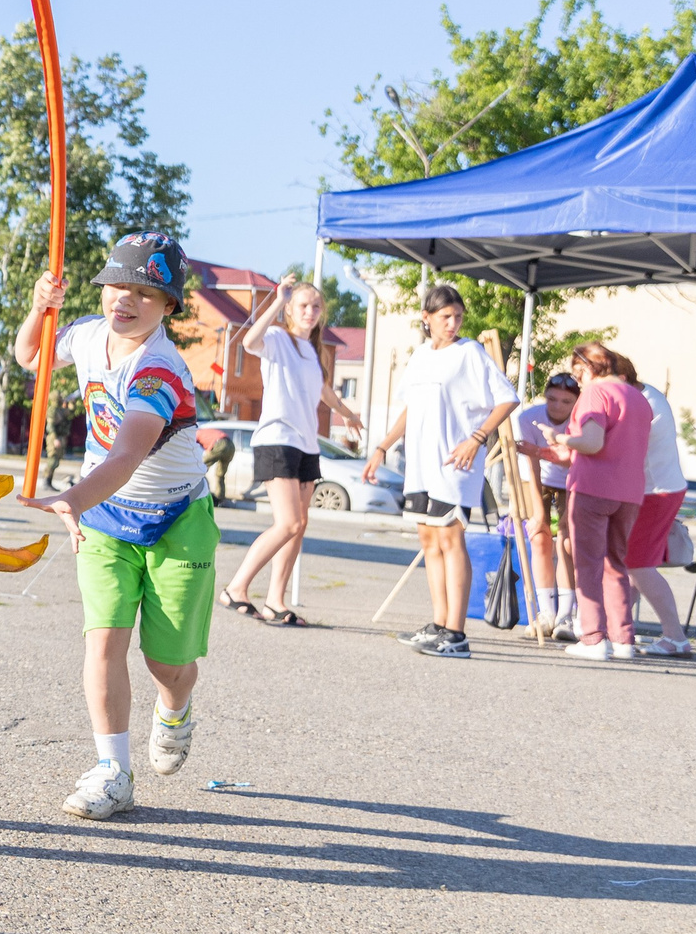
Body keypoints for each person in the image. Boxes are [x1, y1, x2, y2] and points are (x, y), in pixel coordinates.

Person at [18, 231, 212, 821]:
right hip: (104, 517)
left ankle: (174, 708)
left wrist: (71, 498)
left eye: (142, 294)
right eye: (114, 288)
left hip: (176, 517)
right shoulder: (85, 334)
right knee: (104, 639)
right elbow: (32, 357)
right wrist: (38, 308)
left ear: (168, 306)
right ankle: (113, 770)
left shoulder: (159, 371)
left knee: (167, 664)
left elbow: (126, 456)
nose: (123, 301)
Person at [361, 283, 518, 659]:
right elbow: (411, 407)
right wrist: (382, 446)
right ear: (426, 318)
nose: (453, 323)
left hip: (455, 463)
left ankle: (456, 632)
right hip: (421, 465)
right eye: (445, 316)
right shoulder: (420, 355)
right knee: (429, 542)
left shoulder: (471, 353)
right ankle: (438, 623)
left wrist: (476, 439)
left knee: (451, 541)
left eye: (458, 316)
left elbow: (507, 398)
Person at [221, 273, 365, 626]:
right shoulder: (276, 338)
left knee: (299, 527)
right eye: (303, 305)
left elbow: (325, 392)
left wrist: (348, 415)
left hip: (305, 443)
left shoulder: (312, 353)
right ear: (290, 309)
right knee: (288, 523)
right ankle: (235, 588)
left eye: (316, 306)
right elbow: (249, 340)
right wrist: (277, 299)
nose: (310, 311)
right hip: (277, 438)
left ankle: (275, 601)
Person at [527, 342, 652, 660]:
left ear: (585, 369)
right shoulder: (637, 397)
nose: (577, 380)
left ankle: (594, 638)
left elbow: (592, 444)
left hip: (593, 488)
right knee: (615, 565)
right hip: (630, 492)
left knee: (588, 563)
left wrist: (558, 438)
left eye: (577, 372)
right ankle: (623, 638)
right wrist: (546, 451)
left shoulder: (595, 394)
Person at [626, 365, 693, 658]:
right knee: (633, 565)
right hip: (657, 488)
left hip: (655, 491)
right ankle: (614, 626)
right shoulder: (648, 395)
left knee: (638, 565)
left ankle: (675, 636)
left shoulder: (642, 403)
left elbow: (620, 446)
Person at [511, 373, 580, 635]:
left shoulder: (581, 420)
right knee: (539, 536)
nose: (557, 406)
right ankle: (546, 611)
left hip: (573, 479)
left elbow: (575, 461)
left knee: (567, 540)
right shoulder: (528, 417)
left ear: (575, 402)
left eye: (565, 401)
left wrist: (539, 452)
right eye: (552, 399)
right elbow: (531, 462)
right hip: (538, 477)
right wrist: (538, 512)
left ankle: (566, 614)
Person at [42, 396, 84, 489]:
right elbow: (50, 426)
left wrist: (72, 402)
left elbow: (70, 411)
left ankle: (49, 481)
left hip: (60, 437)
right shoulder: (52, 410)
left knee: (56, 460)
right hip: (54, 437)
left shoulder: (60, 410)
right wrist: (55, 439)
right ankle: (46, 481)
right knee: (52, 459)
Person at [202, 421, 237, 504]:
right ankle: (219, 498)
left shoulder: (197, 433)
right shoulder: (207, 430)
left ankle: (202, 493)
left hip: (220, 443)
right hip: (230, 445)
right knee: (220, 474)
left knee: (199, 467)